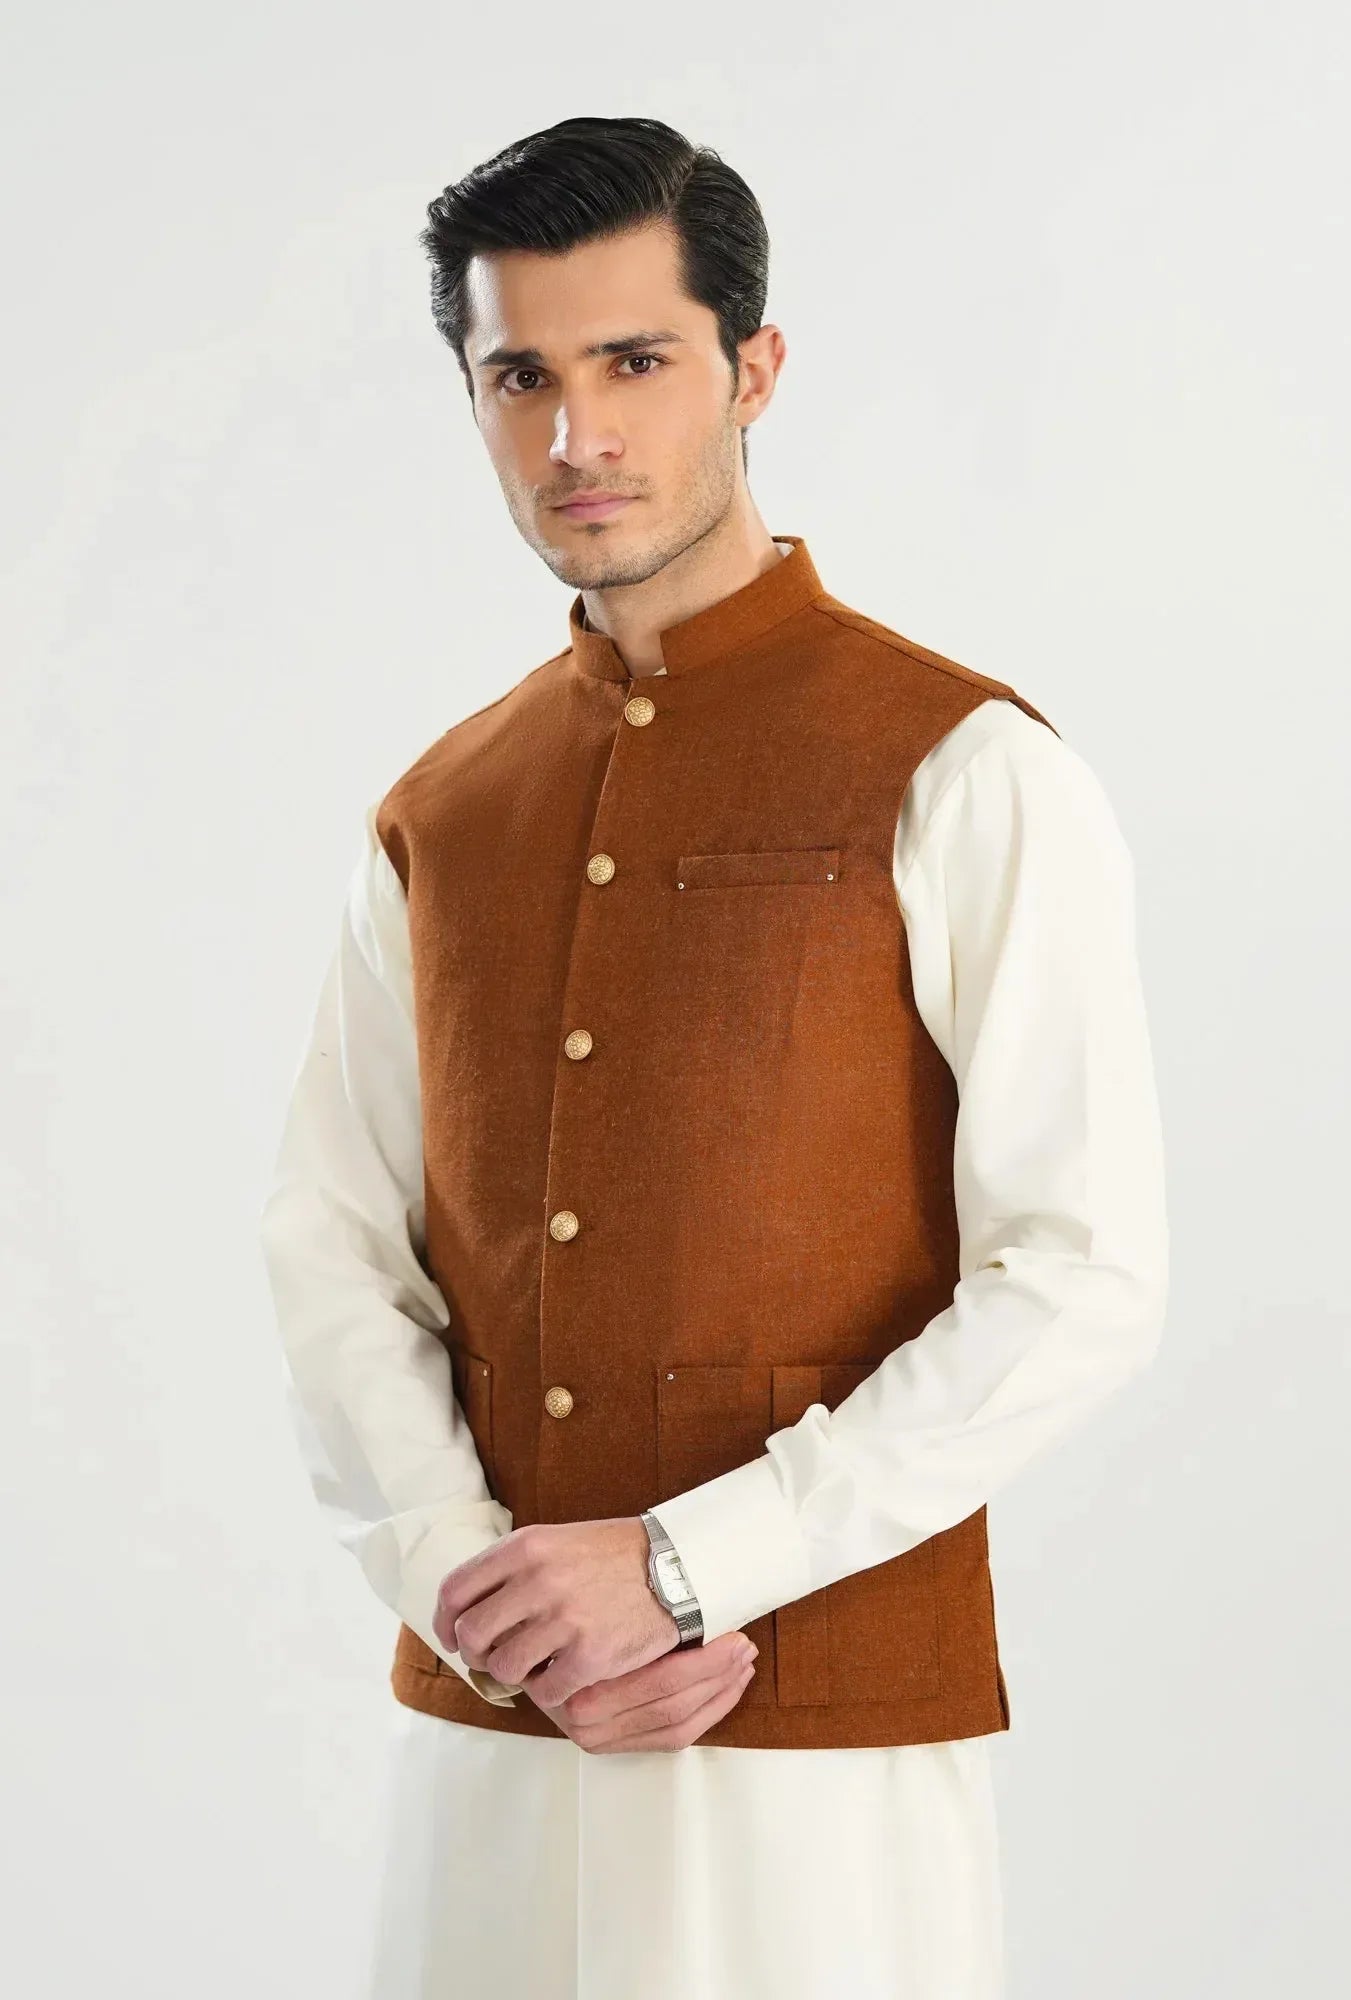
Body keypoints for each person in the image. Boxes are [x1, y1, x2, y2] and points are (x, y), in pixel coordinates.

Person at [258, 114, 1168, 2000]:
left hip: (821, 1752)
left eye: (634, 362)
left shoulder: (966, 768)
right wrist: (472, 1590)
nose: (576, 437)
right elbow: (335, 1246)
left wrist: (686, 1565)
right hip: (493, 1737)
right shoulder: (441, 812)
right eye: (521, 377)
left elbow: (1080, 1276)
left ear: (754, 369)